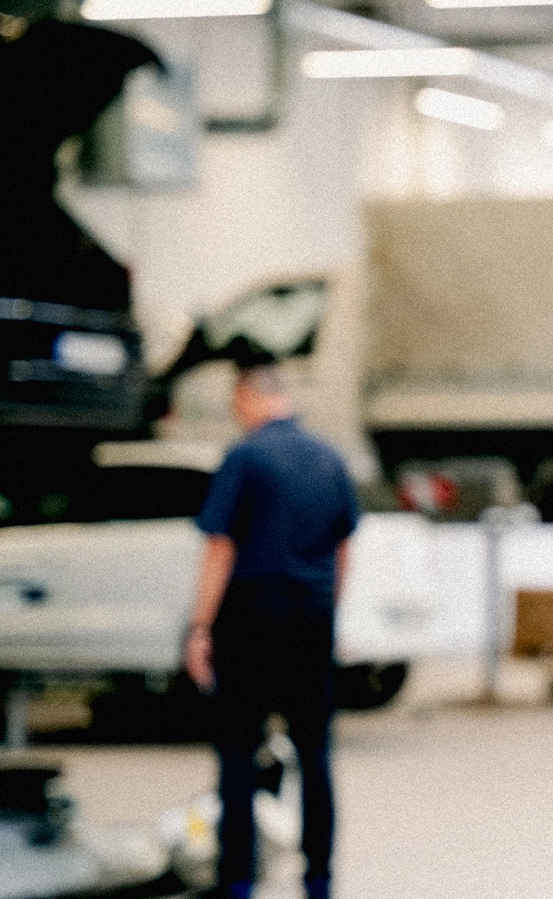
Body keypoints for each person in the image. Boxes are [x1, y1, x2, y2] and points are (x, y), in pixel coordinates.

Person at [185, 364, 357, 899]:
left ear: (249, 398)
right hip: (310, 618)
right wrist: (330, 610)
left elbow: (220, 547)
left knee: (238, 751)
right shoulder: (330, 458)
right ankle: (319, 877)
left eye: (236, 404)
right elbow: (344, 547)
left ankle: (237, 878)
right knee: (314, 754)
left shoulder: (245, 458)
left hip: (250, 621)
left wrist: (200, 627)